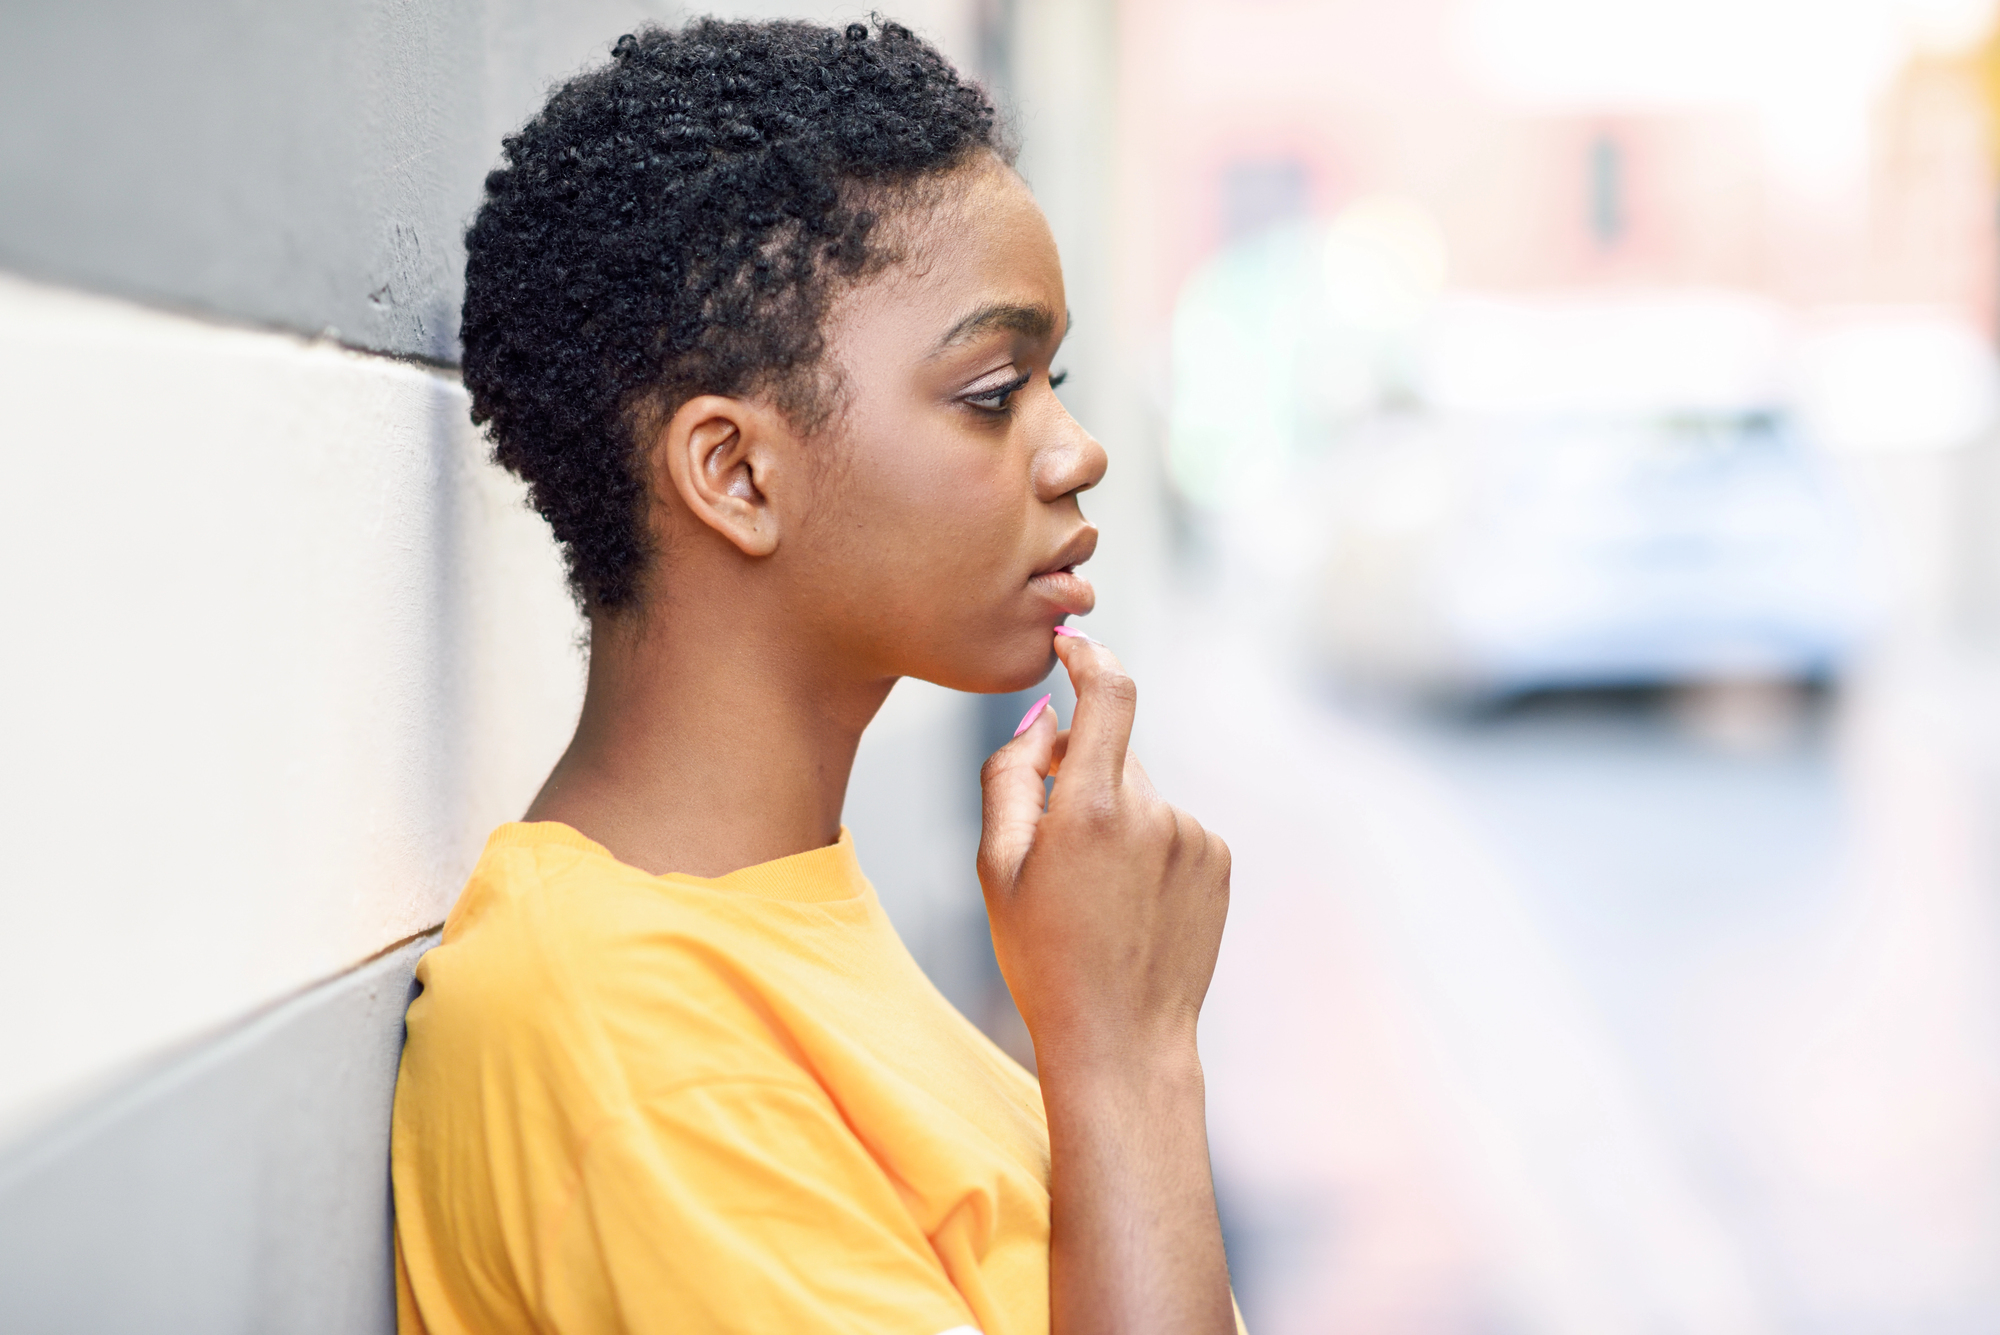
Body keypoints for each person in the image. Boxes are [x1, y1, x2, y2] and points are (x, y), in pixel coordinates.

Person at [390, 17, 1236, 1334]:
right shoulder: (629, 1037)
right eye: (993, 387)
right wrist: (1131, 1058)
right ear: (736, 474)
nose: (1076, 453)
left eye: (1053, 381)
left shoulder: (773, 920)